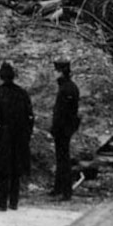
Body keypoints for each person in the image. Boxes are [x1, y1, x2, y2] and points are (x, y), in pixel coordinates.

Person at [0, 61, 34, 211]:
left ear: (1, 77)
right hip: (19, 137)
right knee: (16, 169)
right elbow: (30, 116)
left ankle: (1, 202)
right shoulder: (22, 93)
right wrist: (26, 135)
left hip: (2, 136)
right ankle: (13, 202)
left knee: (1, 169)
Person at [49, 58, 81, 200]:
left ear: (61, 72)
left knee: (63, 159)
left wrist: (56, 128)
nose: (54, 73)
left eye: (56, 70)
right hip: (65, 128)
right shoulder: (69, 87)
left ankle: (65, 191)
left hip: (63, 129)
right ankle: (59, 188)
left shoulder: (66, 88)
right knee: (61, 158)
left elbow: (63, 113)